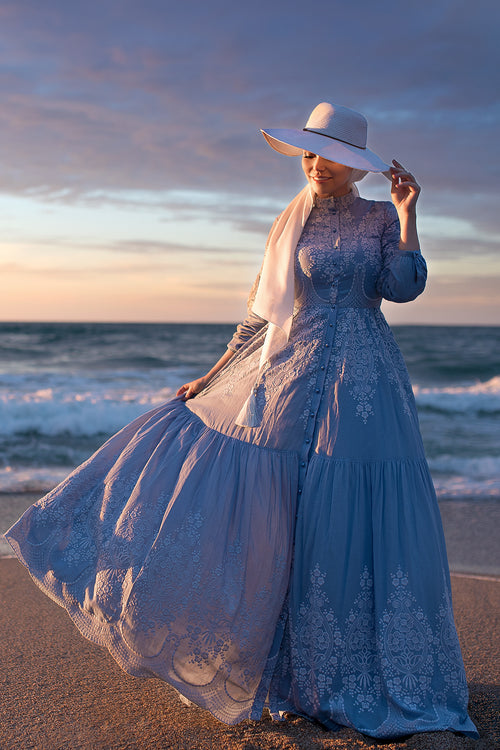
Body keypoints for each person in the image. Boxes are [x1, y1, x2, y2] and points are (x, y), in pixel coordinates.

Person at [6, 102, 478, 740]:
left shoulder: (376, 219)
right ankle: (281, 675)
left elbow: (404, 286)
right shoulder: (291, 222)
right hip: (291, 372)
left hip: (363, 385)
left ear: (356, 166)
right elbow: (261, 311)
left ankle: (348, 674)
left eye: (329, 156)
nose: (315, 165)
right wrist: (213, 372)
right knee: (276, 512)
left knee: (347, 516)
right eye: (309, 154)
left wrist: (407, 213)